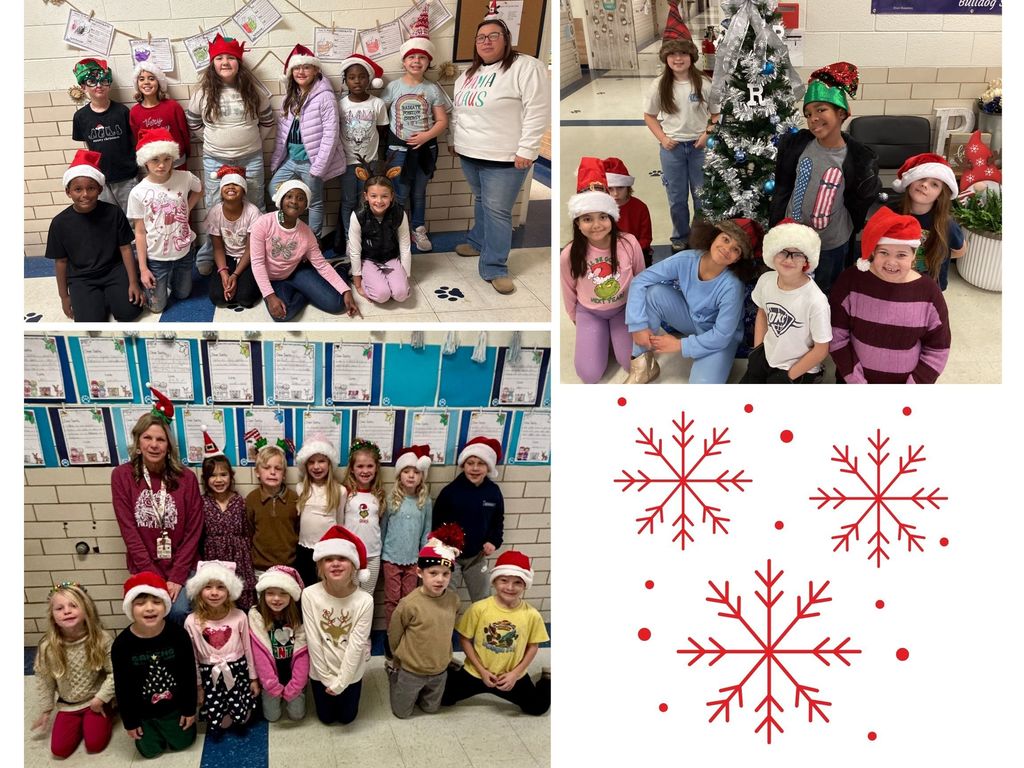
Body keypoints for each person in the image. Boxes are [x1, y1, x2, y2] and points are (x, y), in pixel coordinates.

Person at [451, 1, 550, 294]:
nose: (486, 41)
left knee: (497, 211)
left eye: (493, 35)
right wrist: (455, 142)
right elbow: (458, 113)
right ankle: (478, 242)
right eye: (481, 37)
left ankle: (495, 267)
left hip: (505, 157)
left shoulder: (526, 67)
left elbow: (537, 111)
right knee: (482, 200)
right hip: (470, 153)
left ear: (506, 40)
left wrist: (528, 150)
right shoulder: (466, 76)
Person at [769, 62, 881, 295]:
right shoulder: (797, 145)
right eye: (808, 114)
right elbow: (783, 185)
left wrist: (849, 227)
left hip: (830, 242)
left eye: (821, 110)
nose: (813, 119)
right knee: (793, 289)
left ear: (841, 113)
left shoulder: (857, 158)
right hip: (794, 237)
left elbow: (859, 199)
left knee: (825, 292)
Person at [624, 218, 762, 384]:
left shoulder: (732, 286)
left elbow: (722, 336)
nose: (726, 249)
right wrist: (637, 325)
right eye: (725, 239)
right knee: (654, 293)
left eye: (735, 249)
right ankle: (643, 362)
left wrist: (681, 345)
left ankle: (720, 361)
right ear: (714, 236)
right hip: (692, 320)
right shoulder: (686, 259)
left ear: (737, 259)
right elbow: (641, 281)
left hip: (720, 339)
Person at [111, 386, 203, 625]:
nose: (154, 445)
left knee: (177, 611)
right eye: (147, 438)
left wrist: (176, 577)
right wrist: (153, 576)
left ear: (168, 445)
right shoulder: (122, 476)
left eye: (160, 439)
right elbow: (129, 530)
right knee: (150, 613)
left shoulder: (186, 478)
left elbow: (194, 531)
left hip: (182, 565)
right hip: (145, 565)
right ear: (138, 442)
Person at [829, 207, 950, 384]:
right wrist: (856, 381)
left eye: (901, 255)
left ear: (913, 256)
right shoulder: (850, 281)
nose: (891, 262)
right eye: (884, 252)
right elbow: (837, 336)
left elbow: (938, 349)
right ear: (873, 252)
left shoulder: (929, 292)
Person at [186, 34, 274, 275]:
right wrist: (214, 142)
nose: (225, 62)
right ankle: (211, 254)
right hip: (216, 158)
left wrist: (253, 142)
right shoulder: (202, 93)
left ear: (239, 63)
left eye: (231, 58)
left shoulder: (254, 91)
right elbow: (193, 123)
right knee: (215, 207)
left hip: (250, 158)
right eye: (220, 58)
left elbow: (267, 121)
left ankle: (258, 253)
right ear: (212, 63)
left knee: (255, 204)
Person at [561, 158, 646, 384]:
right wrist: (578, 320)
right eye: (587, 219)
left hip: (623, 310)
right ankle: (601, 337)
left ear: (612, 217)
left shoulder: (629, 243)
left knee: (632, 363)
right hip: (590, 313)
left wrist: (640, 317)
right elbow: (569, 292)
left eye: (602, 216)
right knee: (589, 375)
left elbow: (641, 280)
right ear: (577, 222)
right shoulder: (570, 254)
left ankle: (613, 338)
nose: (596, 225)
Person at [441, 550, 550, 715]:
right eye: (504, 580)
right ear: (494, 581)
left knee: (538, 708)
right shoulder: (479, 608)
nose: (510, 587)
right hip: (476, 672)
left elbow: (533, 647)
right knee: (442, 699)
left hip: (511, 678)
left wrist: (514, 674)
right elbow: (464, 639)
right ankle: (454, 668)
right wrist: (482, 671)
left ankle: (547, 680)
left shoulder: (531, 615)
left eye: (517, 583)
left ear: (525, 585)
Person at [381, 8, 451, 254]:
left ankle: (418, 228)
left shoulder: (432, 89)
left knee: (419, 192)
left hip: (424, 150)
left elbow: (442, 121)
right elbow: (380, 115)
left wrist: (425, 136)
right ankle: (398, 230)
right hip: (397, 150)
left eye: (422, 58)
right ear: (403, 61)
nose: (416, 62)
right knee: (399, 193)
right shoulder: (393, 87)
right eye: (411, 57)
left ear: (428, 61)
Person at [45, 149, 143, 321]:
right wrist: (64, 297)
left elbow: (126, 249)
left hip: (114, 270)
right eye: (77, 189)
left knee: (129, 313)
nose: (85, 194)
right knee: (90, 321)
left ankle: (111, 294)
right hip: (82, 277)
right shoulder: (59, 223)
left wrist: (134, 283)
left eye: (91, 188)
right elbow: (60, 262)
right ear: (68, 192)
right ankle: (97, 298)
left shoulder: (113, 213)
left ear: (99, 189)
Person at [110, 572, 198, 758]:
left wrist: (189, 709)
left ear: (165, 605)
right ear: (130, 608)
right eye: (141, 603)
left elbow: (188, 674)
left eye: (156, 602)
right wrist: (130, 722)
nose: (149, 608)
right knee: (149, 752)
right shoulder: (122, 645)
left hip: (174, 708)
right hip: (143, 714)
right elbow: (122, 687)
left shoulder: (178, 635)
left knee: (183, 744)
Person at [249, 180, 360, 321]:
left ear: (305, 206)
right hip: (274, 280)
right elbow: (257, 263)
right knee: (282, 315)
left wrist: (346, 290)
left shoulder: (307, 233)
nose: (294, 201)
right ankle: (306, 292)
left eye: (300, 198)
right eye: (289, 196)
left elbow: (321, 265)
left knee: (337, 305)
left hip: (296, 272)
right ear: (281, 200)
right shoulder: (263, 223)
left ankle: (341, 269)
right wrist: (269, 296)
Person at [642, 36, 714, 251]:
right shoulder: (659, 85)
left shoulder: (703, 83)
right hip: (672, 150)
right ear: (666, 58)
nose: (678, 58)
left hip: (698, 148)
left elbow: (717, 114)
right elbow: (649, 115)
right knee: (677, 198)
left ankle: (700, 236)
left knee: (702, 196)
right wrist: (663, 138)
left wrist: (707, 134)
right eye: (672, 54)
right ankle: (680, 237)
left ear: (691, 57)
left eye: (683, 54)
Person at [268, 44, 346, 242]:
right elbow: (283, 133)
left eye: (306, 67)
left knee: (315, 201)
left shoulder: (325, 96)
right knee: (274, 189)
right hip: (292, 158)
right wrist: (277, 160)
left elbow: (331, 133)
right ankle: (290, 233)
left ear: (316, 70)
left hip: (312, 161)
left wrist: (319, 165)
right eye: (296, 68)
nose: (301, 72)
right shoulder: (290, 97)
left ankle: (313, 242)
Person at [740, 220, 831, 384]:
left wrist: (789, 375)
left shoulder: (816, 301)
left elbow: (821, 349)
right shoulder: (766, 280)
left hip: (798, 368)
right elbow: (762, 312)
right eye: (783, 251)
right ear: (772, 254)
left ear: (806, 261)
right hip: (766, 356)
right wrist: (758, 349)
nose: (789, 260)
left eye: (797, 254)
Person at [30, 582, 114, 759]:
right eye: (59, 608)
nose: (66, 611)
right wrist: (46, 710)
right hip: (68, 704)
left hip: (95, 701)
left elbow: (115, 673)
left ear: (86, 611)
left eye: (73, 606)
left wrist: (101, 698)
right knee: (59, 751)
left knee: (95, 744)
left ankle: (107, 712)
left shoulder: (101, 639)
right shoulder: (48, 647)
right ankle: (81, 722)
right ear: (53, 616)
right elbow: (44, 679)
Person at [387, 526, 464, 718]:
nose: (440, 579)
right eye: (434, 573)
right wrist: (399, 657)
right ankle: (393, 675)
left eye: (446, 574)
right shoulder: (409, 604)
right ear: (420, 572)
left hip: (439, 668)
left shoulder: (453, 600)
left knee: (431, 709)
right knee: (402, 713)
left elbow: (446, 630)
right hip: (411, 670)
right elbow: (394, 634)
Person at [301, 526, 374, 726]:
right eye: (328, 559)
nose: (335, 564)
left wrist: (341, 682)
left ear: (353, 565)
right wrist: (325, 679)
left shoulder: (364, 600)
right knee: (326, 718)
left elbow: (356, 645)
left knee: (347, 718)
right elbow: (313, 640)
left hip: (350, 673)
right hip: (320, 671)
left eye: (342, 559)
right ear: (320, 566)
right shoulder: (309, 594)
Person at [127, 128, 202, 314]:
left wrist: (186, 209)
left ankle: (171, 280)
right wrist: (143, 268)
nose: (162, 165)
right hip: (157, 257)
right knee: (157, 307)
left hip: (183, 251)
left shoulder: (185, 177)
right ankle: (159, 280)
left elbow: (200, 190)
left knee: (183, 294)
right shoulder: (138, 192)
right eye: (155, 160)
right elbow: (140, 232)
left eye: (166, 159)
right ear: (145, 160)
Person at [184, 560, 259, 735]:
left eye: (221, 587)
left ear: (229, 591)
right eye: (208, 587)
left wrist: (253, 678)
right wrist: (199, 686)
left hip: (237, 671)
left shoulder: (239, 616)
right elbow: (193, 657)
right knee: (222, 723)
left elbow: (248, 649)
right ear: (199, 590)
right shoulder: (191, 621)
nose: (214, 593)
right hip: (209, 674)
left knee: (243, 716)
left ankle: (238, 711)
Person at [432, 436, 504, 602]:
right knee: (446, 598)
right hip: (451, 556)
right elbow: (437, 524)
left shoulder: (493, 492)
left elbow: (498, 521)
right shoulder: (450, 492)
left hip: (477, 556)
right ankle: (445, 627)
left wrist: (493, 541)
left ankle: (482, 627)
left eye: (481, 464)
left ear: (489, 467)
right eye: (470, 463)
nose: (475, 468)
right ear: (463, 465)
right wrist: (442, 547)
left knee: (483, 599)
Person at [334, 54, 389, 262]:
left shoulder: (377, 104)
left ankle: (368, 236)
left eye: (362, 77)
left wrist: (380, 162)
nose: (357, 81)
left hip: (371, 162)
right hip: (347, 162)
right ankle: (351, 239)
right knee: (348, 201)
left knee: (368, 201)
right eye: (352, 77)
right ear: (346, 81)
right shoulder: (340, 105)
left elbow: (383, 131)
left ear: (369, 79)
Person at [198, 428, 256, 611]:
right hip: (214, 559)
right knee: (219, 604)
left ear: (230, 476)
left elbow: (248, 531)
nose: (218, 480)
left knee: (243, 603)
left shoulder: (240, 501)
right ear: (206, 479)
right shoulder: (202, 503)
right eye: (213, 476)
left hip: (240, 559)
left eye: (223, 474)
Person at [891, 153, 966, 291]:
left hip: (930, 286)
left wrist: (939, 253)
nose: (925, 184)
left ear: (940, 195)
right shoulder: (891, 214)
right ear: (910, 181)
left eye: (934, 184)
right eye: (921, 178)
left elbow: (960, 251)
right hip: (896, 279)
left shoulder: (946, 224)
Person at [71, 58, 138, 211]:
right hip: (100, 178)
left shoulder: (122, 111)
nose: (99, 86)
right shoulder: (80, 117)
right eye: (92, 82)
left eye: (103, 81)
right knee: (108, 217)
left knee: (133, 217)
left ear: (109, 84)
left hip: (127, 176)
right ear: (83, 87)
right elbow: (87, 144)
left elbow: (132, 139)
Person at [381, 445, 434, 635]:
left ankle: (405, 632)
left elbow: (426, 532)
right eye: (406, 471)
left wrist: (423, 558)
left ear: (422, 476)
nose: (411, 476)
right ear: (399, 475)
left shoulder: (425, 501)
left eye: (416, 472)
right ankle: (391, 633)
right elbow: (383, 528)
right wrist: (381, 556)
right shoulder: (391, 500)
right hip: (390, 558)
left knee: (409, 598)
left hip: (414, 560)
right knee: (392, 599)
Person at [248, 566, 309, 723]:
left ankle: (296, 691)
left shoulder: (298, 616)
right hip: (270, 677)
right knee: (272, 717)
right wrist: (271, 685)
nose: (276, 598)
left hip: (292, 674)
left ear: (291, 596)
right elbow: (259, 656)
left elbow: (303, 654)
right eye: (270, 593)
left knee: (297, 715)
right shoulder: (256, 615)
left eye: (283, 593)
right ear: (263, 595)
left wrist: (295, 686)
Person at [346, 168, 412, 304]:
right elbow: (355, 251)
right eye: (373, 196)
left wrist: (405, 277)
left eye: (385, 196)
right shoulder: (358, 215)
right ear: (366, 196)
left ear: (392, 196)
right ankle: (362, 276)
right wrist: (358, 284)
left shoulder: (399, 214)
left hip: (390, 258)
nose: (379, 201)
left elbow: (405, 247)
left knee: (401, 295)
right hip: (368, 259)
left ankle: (386, 281)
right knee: (382, 296)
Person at [206, 165, 262, 308]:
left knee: (246, 299)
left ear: (244, 191)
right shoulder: (215, 213)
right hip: (228, 256)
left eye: (236, 184)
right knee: (219, 298)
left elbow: (251, 249)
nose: (231, 187)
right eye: (227, 184)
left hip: (249, 257)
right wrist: (224, 273)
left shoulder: (252, 212)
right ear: (221, 191)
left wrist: (235, 275)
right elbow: (218, 248)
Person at [294, 432, 346, 589]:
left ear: (329, 464)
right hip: (304, 551)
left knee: (327, 589)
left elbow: (340, 524)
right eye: (311, 462)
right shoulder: (301, 488)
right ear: (305, 465)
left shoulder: (340, 491)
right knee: (306, 589)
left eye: (321, 461)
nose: (316, 467)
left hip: (328, 551)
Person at [245, 440, 300, 576]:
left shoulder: (294, 499)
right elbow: (249, 531)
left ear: (284, 474)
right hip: (260, 568)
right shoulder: (251, 499)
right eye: (267, 467)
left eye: (278, 468)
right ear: (257, 472)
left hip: (288, 566)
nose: (273, 472)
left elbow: (298, 530)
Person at [341, 438, 386, 596]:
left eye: (369, 466)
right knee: (349, 593)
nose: (365, 471)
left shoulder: (378, 495)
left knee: (368, 595)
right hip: (350, 554)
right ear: (352, 469)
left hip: (373, 554)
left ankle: (365, 622)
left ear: (376, 468)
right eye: (360, 466)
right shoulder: (345, 493)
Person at [129, 60, 188, 171]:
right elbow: (138, 140)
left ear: (159, 82)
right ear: (137, 84)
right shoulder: (135, 112)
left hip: (177, 162)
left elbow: (184, 134)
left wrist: (186, 154)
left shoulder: (173, 107)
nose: (146, 82)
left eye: (151, 78)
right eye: (141, 79)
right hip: (153, 166)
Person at [604, 157, 654, 267]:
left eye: (620, 188)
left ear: (628, 187)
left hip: (636, 252)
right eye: (611, 189)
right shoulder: (602, 209)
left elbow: (646, 238)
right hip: (608, 254)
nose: (616, 193)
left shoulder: (640, 207)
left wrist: (630, 253)